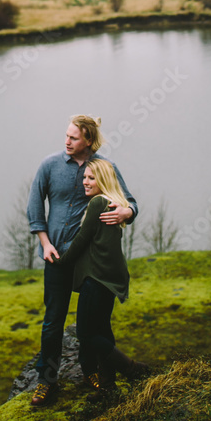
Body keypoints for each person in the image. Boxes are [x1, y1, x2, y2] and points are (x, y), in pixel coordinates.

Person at [27, 114, 138, 406]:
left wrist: (126, 213)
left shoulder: (103, 167)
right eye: (66, 136)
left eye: (73, 138)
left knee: (93, 322)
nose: (66, 141)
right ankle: (46, 382)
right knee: (53, 322)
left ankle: (92, 371)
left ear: (88, 140)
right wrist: (45, 244)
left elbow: (130, 202)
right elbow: (35, 207)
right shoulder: (49, 165)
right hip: (56, 257)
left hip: (90, 263)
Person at [56, 158, 150, 393]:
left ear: (103, 180)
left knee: (86, 333)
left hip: (96, 279)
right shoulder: (114, 203)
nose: (85, 182)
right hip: (107, 280)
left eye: (91, 178)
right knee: (102, 331)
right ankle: (108, 387)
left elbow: (81, 240)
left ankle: (133, 369)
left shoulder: (99, 203)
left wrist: (60, 261)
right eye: (84, 177)